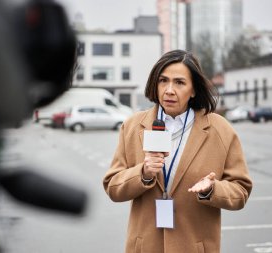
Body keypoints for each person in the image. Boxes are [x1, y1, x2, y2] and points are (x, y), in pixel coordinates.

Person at [103, 49, 252, 253]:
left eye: (179, 83)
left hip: (195, 247)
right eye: (163, 81)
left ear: (193, 90)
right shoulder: (132, 126)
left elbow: (241, 191)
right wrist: (143, 174)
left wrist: (212, 189)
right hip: (145, 247)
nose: (169, 90)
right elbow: (112, 186)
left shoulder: (220, 130)